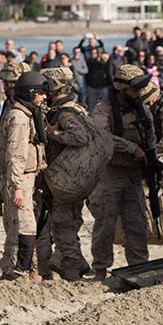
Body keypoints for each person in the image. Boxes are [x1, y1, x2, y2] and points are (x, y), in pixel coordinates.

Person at [87, 64, 159, 279]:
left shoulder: (142, 109)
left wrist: (151, 161)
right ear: (121, 88)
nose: (139, 93)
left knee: (137, 224)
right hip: (109, 174)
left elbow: (151, 138)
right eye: (134, 89)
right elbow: (102, 137)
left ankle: (139, 267)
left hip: (133, 175)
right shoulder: (103, 109)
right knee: (105, 225)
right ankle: (100, 269)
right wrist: (131, 148)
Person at [39, 67, 92, 281]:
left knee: (63, 225)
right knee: (66, 223)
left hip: (68, 180)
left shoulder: (67, 111)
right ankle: (77, 263)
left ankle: (71, 272)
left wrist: (55, 134)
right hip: (68, 178)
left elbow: (81, 138)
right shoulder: (62, 108)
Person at [0, 71, 47, 280]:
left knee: (18, 226)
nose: (43, 97)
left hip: (27, 177)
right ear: (30, 92)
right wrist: (16, 186)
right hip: (20, 178)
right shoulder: (18, 118)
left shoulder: (26, 113)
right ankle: (18, 271)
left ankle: (14, 269)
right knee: (24, 226)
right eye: (41, 93)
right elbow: (15, 155)